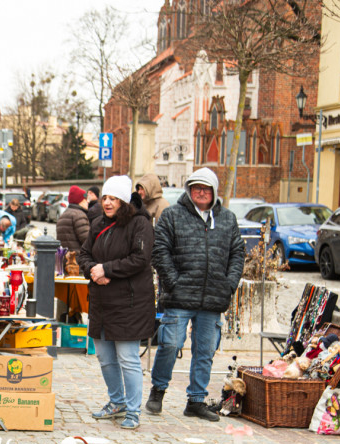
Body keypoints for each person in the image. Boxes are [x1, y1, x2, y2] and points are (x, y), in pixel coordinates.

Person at [147, 167, 244, 422]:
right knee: (170, 344)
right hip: (180, 296)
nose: (201, 193)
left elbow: (237, 254)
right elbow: (160, 251)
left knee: (205, 351)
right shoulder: (172, 215)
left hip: (213, 297)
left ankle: (196, 400)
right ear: (189, 190)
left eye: (206, 189)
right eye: (196, 188)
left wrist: (229, 284)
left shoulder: (227, 219)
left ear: (214, 192)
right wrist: (173, 282)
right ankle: (158, 390)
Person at [77, 175, 155, 430]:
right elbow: (84, 254)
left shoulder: (140, 224)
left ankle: (132, 410)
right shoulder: (99, 223)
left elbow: (140, 259)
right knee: (104, 356)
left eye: (113, 198)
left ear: (124, 200)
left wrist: (107, 269)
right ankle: (116, 401)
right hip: (102, 301)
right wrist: (93, 270)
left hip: (130, 303)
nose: (108, 203)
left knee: (128, 358)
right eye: (105, 198)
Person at [55, 185, 90, 251]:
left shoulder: (63, 215)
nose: (87, 202)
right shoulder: (79, 215)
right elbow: (87, 241)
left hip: (66, 258)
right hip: (77, 258)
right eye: (85, 199)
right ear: (79, 201)